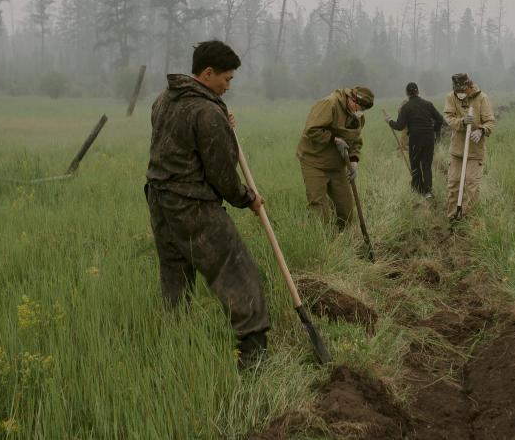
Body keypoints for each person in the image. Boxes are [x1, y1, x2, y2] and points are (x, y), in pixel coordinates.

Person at [145, 40, 270, 367]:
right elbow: (223, 175)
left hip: (158, 199)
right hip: (192, 203)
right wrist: (248, 199)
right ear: (208, 72)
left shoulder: (164, 99)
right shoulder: (206, 111)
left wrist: (218, 119)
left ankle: (176, 341)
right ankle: (254, 349)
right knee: (234, 267)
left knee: (174, 271)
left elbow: (179, 141)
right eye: (226, 79)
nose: (228, 86)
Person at [296, 86, 374, 230]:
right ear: (352, 98)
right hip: (314, 161)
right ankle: (320, 242)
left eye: (364, 109)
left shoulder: (358, 117)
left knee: (346, 211)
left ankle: (339, 241)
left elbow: (356, 140)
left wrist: (354, 160)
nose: (360, 111)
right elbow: (311, 129)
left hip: (337, 164)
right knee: (319, 211)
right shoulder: (330, 104)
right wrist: (334, 139)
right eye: (359, 106)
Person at [443, 73, 496, 220]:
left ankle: (467, 219)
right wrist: (462, 122)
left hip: (475, 151)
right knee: (453, 183)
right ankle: (452, 217)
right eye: (456, 91)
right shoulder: (451, 97)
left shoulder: (482, 98)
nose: (459, 94)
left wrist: (481, 130)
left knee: (471, 185)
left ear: (469, 86)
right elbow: (448, 118)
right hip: (457, 150)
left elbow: (490, 121)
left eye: (462, 91)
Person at [385, 82, 444, 198]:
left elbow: (399, 126)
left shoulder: (406, 107)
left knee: (415, 165)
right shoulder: (428, 104)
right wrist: (434, 132)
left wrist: (389, 121)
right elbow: (440, 119)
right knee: (426, 165)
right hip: (429, 139)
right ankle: (428, 192)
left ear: (407, 93)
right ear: (418, 91)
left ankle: (418, 190)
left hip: (415, 140)